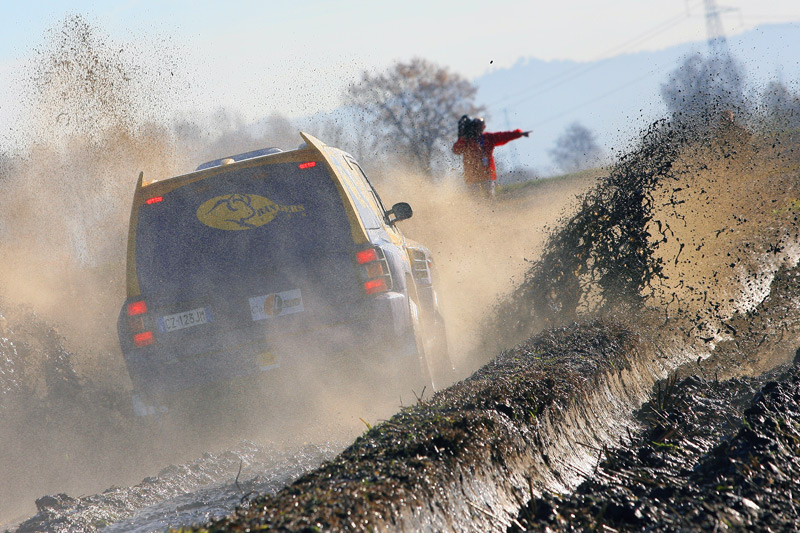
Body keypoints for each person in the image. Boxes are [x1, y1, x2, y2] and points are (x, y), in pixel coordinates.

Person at [452, 116, 529, 199]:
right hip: (471, 175)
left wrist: (518, 133)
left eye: (480, 125)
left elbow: (504, 136)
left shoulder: (488, 137)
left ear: (484, 126)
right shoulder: (466, 140)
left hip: (487, 174)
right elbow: (456, 150)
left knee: (489, 198)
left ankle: (490, 211)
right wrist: (463, 138)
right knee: (474, 199)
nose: (478, 128)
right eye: (476, 125)